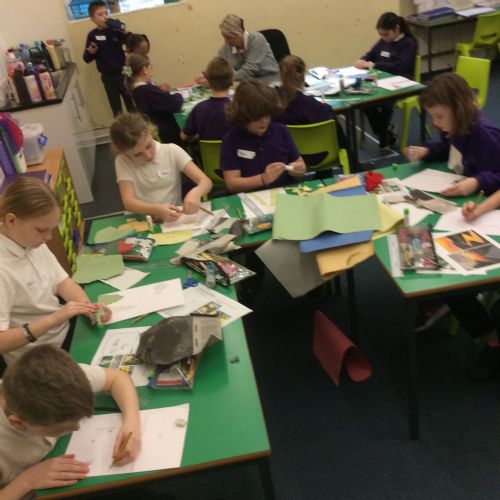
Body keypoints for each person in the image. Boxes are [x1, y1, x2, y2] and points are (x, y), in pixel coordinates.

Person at [0, 344, 141, 497]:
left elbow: (117, 378)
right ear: (18, 423)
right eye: (61, 428)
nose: (77, 428)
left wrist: (131, 424)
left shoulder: (60, 379)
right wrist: (26, 481)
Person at [0, 177, 111, 367]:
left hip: (63, 332)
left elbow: (63, 283)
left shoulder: (29, 240)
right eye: (41, 230)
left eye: (51, 229)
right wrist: (54, 319)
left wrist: (88, 308)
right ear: (11, 220)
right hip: (38, 358)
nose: (49, 237)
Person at [404, 73, 500, 197]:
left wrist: (477, 182)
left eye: (439, 116)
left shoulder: (485, 136)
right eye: (432, 116)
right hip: (464, 189)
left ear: (458, 110)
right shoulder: (452, 126)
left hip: (486, 200)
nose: (435, 122)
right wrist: (427, 152)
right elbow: (449, 149)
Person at [110, 112, 212, 222]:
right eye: (138, 154)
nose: (148, 155)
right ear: (124, 152)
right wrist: (157, 210)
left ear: (150, 132)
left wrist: (196, 192)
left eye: (148, 146)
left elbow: (206, 181)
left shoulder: (171, 151)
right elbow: (129, 202)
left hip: (174, 219)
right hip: (144, 220)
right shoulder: (123, 161)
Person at [220, 78, 306, 193]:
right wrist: (263, 179)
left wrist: (299, 169)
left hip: (284, 193)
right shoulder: (231, 140)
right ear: (243, 114)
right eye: (257, 117)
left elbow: (300, 165)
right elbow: (232, 184)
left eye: (267, 115)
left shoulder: (281, 131)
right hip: (250, 197)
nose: (264, 121)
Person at [354, 12, 417, 150]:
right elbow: (371, 54)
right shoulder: (384, 41)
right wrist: (363, 60)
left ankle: (384, 138)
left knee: (387, 104)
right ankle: (384, 131)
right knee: (364, 101)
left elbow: (399, 66)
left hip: (401, 81)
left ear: (396, 28)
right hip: (381, 80)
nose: (383, 38)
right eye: (381, 35)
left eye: (386, 34)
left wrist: (374, 65)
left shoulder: (409, 43)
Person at [273, 54, 348, 165]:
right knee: (335, 125)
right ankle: (351, 162)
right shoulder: (309, 104)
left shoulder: (271, 101)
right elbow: (330, 120)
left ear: (280, 74)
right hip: (318, 156)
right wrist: (325, 107)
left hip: (285, 156)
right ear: (302, 75)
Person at [83, 1, 134, 117]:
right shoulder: (92, 35)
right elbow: (86, 59)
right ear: (92, 18)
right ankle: (121, 128)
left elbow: (131, 41)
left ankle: (138, 126)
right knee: (116, 108)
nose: (105, 17)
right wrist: (91, 53)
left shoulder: (115, 30)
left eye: (106, 13)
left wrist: (124, 31)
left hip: (125, 70)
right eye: (100, 14)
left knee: (132, 102)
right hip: (108, 76)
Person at [196, 14, 279, 85]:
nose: (226, 41)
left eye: (229, 37)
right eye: (224, 37)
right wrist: (207, 76)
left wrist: (221, 80)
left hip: (270, 82)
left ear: (240, 33)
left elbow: (249, 70)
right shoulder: (225, 49)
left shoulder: (257, 39)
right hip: (249, 86)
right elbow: (218, 67)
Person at [124, 53, 183, 145]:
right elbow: (175, 104)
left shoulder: (136, 90)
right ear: (145, 70)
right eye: (150, 67)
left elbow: (160, 101)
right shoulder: (147, 91)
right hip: (169, 135)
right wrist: (179, 95)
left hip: (158, 133)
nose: (151, 71)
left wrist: (162, 92)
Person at [181, 57, 233, 141]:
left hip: (204, 149)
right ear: (231, 81)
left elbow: (183, 136)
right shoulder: (236, 109)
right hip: (231, 149)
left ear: (208, 81)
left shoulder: (199, 108)